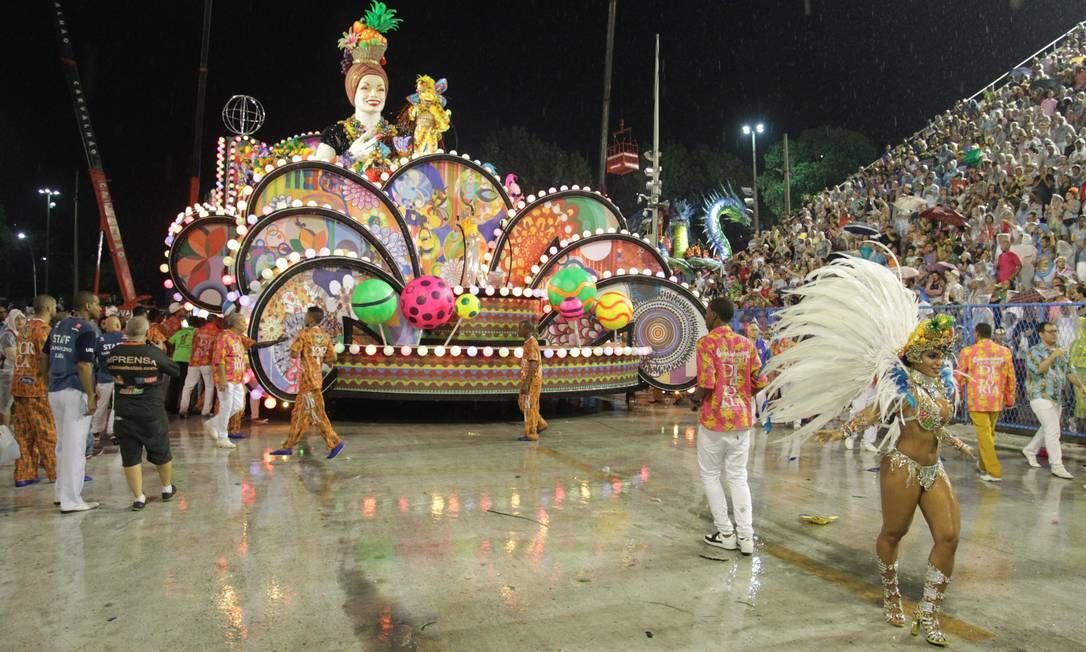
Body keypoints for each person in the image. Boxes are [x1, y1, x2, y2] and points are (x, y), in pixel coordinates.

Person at [766, 258, 975, 646]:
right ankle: (891, 591)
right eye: (932, 355)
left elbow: (935, 424)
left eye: (943, 355)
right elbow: (874, 412)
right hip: (903, 466)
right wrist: (840, 430)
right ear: (915, 355)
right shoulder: (902, 382)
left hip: (934, 468)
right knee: (894, 533)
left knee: (949, 537)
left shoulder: (942, 380)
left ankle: (928, 614)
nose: (940, 362)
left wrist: (954, 440)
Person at [691, 297, 766, 556]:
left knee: (711, 475)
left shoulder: (707, 343)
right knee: (738, 476)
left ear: (713, 314)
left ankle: (725, 534)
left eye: (707, 312)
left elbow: (708, 382)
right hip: (742, 419)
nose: (705, 316)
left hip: (715, 420)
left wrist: (695, 398)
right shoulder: (746, 344)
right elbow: (760, 380)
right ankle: (746, 538)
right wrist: (742, 393)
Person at [106, 316, 180, 510]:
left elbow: (108, 369)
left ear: (125, 331)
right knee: (161, 450)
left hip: (123, 412)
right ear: (147, 333)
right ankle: (166, 488)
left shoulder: (115, 352)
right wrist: (162, 351)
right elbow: (175, 370)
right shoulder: (153, 353)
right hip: (151, 412)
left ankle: (138, 497)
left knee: (130, 455)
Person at [46, 291, 102, 513]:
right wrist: (90, 395)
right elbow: (84, 365)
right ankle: (72, 500)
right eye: (97, 304)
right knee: (76, 446)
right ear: (87, 306)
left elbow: (45, 354)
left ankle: (61, 493)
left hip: (56, 389)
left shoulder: (59, 326)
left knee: (62, 444)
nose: (101, 308)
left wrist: (46, 379)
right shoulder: (86, 330)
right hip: (74, 391)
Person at [271, 307, 344, 458]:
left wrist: (297, 352)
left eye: (306, 315)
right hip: (316, 379)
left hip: (307, 381)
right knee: (298, 413)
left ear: (311, 319)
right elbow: (333, 358)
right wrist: (321, 359)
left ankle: (335, 443)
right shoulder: (325, 336)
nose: (304, 318)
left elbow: (293, 352)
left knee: (317, 415)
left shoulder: (304, 334)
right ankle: (289, 445)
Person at [1022, 321, 1086, 480]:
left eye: (1055, 331)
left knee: (1047, 427)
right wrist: (1053, 355)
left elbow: (1069, 372)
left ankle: (1030, 450)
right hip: (1039, 395)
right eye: (1050, 331)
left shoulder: (1062, 352)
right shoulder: (1034, 351)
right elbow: (1038, 369)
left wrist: (1081, 386)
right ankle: (1057, 465)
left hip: (1056, 397)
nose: (1054, 334)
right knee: (1053, 429)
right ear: (1041, 334)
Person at [207, 313, 282, 449]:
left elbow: (256, 344)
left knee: (237, 406)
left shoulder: (239, 338)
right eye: (242, 321)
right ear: (234, 323)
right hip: (226, 378)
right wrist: (223, 379)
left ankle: (214, 423)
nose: (245, 324)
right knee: (226, 406)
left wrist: (275, 342)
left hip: (237, 379)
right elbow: (219, 359)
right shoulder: (224, 337)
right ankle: (222, 437)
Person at [957, 322, 1016, 482]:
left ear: (976, 334)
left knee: (985, 436)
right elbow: (1011, 378)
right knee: (988, 435)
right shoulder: (1004, 352)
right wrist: (1010, 399)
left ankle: (994, 471)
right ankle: (983, 465)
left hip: (977, 400)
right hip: (996, 400)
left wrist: (958, 396)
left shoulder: (968, 352)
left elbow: (960, 376)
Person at [10, 296, 58, 488]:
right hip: (37, 387)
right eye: (54, 306)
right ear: (48, 308)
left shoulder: (24, 329)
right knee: (46, 431)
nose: (56, 308)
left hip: (19, 384)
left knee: (23, 433)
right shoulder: (45, 331)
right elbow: (49, 360)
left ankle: (24, 473)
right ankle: (57, 472)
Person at [91, 315, 124, 453]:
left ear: (106, 326)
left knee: (101, 405)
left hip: (103, 377)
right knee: (118, 405)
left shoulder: (99, 340)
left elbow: (93, 360)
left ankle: (96, 433)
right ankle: (114, 432)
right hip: (121, 378)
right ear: (118, 325)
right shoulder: (124, 339)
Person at [179, 314, 220, 418]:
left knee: (188, 386)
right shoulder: (218, 332)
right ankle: (205, 412)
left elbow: (193, 345)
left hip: (194, 361)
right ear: (215, 320)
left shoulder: (197, 331)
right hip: (207, 362)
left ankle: (183, 410)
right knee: (209, 387)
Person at [516, 320, 547, 442]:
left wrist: (527, 383)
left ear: (526, 330)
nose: (518, 331)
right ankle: (540, 423)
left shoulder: (531, 343)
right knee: (525, 404)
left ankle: (531, 433)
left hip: (532, 380)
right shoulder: (528, 342)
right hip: (529, 379)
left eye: (519, 328)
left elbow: (533, 364)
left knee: (530, 405)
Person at [0, 309, 26, 429]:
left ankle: (15, 432)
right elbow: (13, 357)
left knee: (18, 405)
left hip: (21, 373)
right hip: (8, 373)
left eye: (22, 318)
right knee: (5, 405)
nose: (20, 321)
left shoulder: (23, 334)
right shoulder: (7, 335)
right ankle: (5, 433)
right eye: (17, 319)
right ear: (11, 320)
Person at [166, 317, 196, 413]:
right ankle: (184, 407)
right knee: (185, 385)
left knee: (174, 383)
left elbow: (169, 342)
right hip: (187, 360)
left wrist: (172, 352)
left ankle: (171, 406)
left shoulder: (180, 332)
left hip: (176, 359)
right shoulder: (196, 332)